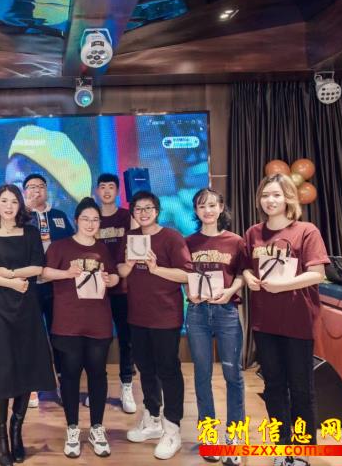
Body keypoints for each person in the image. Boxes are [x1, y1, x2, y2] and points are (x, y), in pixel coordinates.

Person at [242, 174, 329, 466]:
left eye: (277, 195)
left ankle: (303, 450)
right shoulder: (253, 233)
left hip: (297, 321)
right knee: (274, 387)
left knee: (301, 388)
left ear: (289, 198)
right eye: (265, 195)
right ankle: (282, 446)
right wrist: (249, 278)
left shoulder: (306, 231)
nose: (270, 200)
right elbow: (246, 267)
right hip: (264, 322)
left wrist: (283, 286)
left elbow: (317, 274)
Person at [0, 184, 56, 465]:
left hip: (27, 306)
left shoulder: (30, 232)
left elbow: (38, 267)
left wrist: (11, 274)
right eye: (4, 201)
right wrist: (10, 283)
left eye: (13, 202)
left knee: (26, 366)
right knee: (1, 369)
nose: (9, 206)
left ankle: (16, 428)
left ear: (20, 205)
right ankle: (0, 436)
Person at [42, 197, 120, 459]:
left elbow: (114, 275)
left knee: (98, 375)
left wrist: (111, 279)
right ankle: (72, 428)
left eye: (95, 219)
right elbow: (44, 273)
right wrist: (66, 273)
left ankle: (97, 427)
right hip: (67, 323)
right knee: (70, 376)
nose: (90, 223)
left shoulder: (102, 249)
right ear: (76, 220)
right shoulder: (60, 246)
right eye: (85, 219)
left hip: (98, 322)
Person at [119, 191, 191, 460]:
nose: (143, 213)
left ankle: (172, 428)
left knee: (168, 370)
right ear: (133, 213)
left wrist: (155, 267)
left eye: (148, 208)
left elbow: (186, 274)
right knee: (145, 369)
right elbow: (121, 271)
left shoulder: (171, 237)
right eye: (138, 209)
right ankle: (152, 418)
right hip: (137, 315)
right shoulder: (130, 237)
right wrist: (129, 264)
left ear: (157, 211)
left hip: (165, 316)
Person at [185, 188, 246, 465]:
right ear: (195, 211)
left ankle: (234, 438)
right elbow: (184, 275)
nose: (207, 210)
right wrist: (189, 292)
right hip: (197, 313)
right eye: (201, 206)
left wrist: (230, 290)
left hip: (227, 312)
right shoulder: (188, 242)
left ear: (221, 207)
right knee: (202, 375)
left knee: (233, 375)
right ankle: (209, 436)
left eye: (212, 205)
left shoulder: (235, 241)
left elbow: (243, 274)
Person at [23, 172, 74, 407]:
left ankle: (63, 383)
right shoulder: (21, 217)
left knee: (59, 335)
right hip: (29, 286)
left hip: (57, 286)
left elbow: (72, 245)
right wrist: (26, 210)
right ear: (24, 192)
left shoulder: (59, 216)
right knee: (32, 335)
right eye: (31, 187)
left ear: (47, 190)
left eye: (41, 186)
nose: (37, 190)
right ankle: (33, 385)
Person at [92, 172, 137, 413]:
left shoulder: (127, 216)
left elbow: (139, 240)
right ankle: (98, 388)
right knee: (98, 340)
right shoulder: (91, 217)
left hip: (123, 287)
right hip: (96, 288)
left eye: (111, 186)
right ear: (97, 191)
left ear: (118, 191)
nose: (107, 191)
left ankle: (126, 385)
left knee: (126, 338)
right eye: (102, 187)